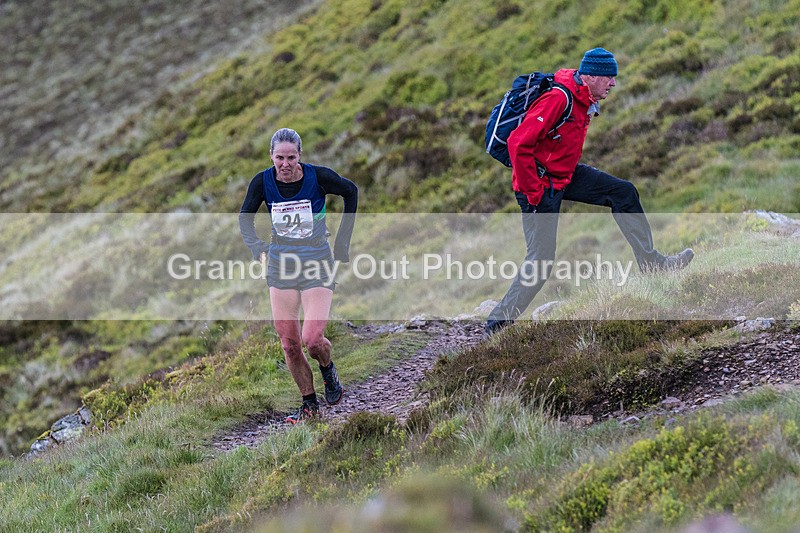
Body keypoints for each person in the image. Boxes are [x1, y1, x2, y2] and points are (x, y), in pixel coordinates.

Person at [486, 48, 694, 336]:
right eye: (609, 77)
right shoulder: (559, 98)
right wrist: (534, 193)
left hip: (564, 175)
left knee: (623, 193)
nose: (613, 83)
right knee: (541, 261)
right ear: (592, 76)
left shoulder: (584, 97)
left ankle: (652, 264)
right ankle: (497, 325)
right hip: (539, 185)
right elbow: (518, 144)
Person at [239, 127, 358, 423]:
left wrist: (342, 243)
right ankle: (309, 405)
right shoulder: (262, 182)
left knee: (313, 340)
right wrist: (257, 247)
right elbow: (245, 217)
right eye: (280, 158)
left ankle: (328, 369)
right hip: (281, 264)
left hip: (316, 261)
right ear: (271, 156)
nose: (286, 164)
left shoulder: (318, 177)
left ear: (300, 156)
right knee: (289, 344)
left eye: (291, 157)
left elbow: (351, 191)